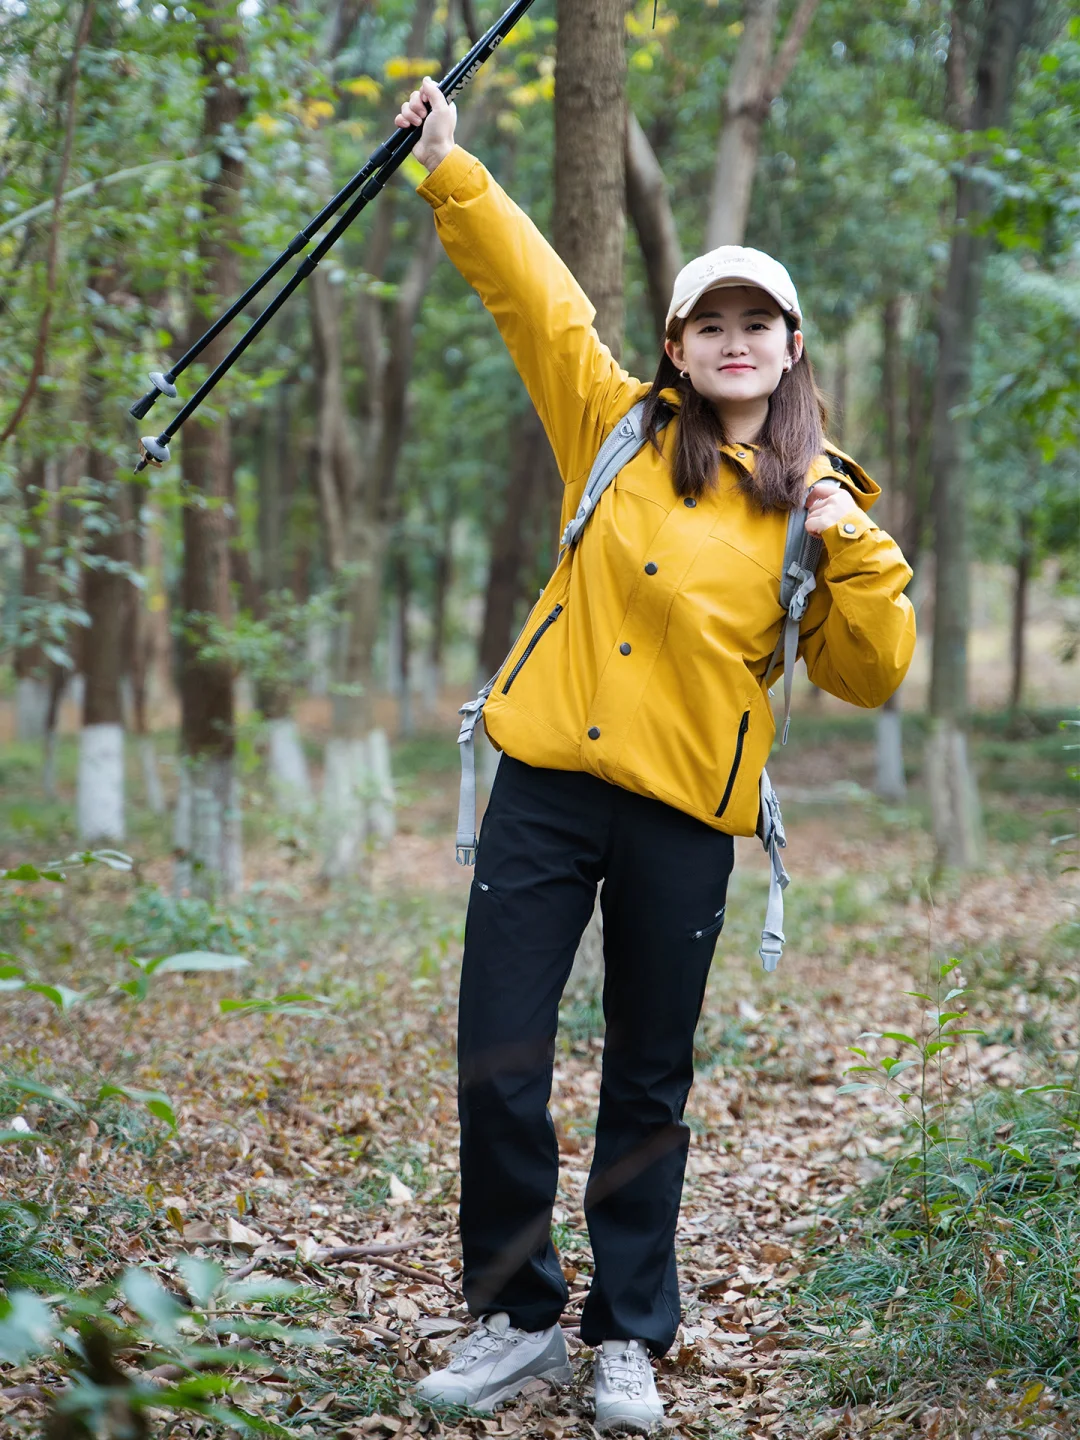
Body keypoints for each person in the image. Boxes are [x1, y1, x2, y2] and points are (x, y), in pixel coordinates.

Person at [393, 78, 915, 1433]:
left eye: (759, 323)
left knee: (647, 1082)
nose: (734, 341)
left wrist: (851, 541)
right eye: (710, 322)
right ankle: (513, 1316)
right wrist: (453, 169)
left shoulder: (821, 509)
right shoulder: (616, 430)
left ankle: (629, 1334)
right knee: (499, 1055)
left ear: (790, 348)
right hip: (548, 787)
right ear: (678, 346)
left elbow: (871, 673)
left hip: (688, 820)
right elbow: (539, 295)